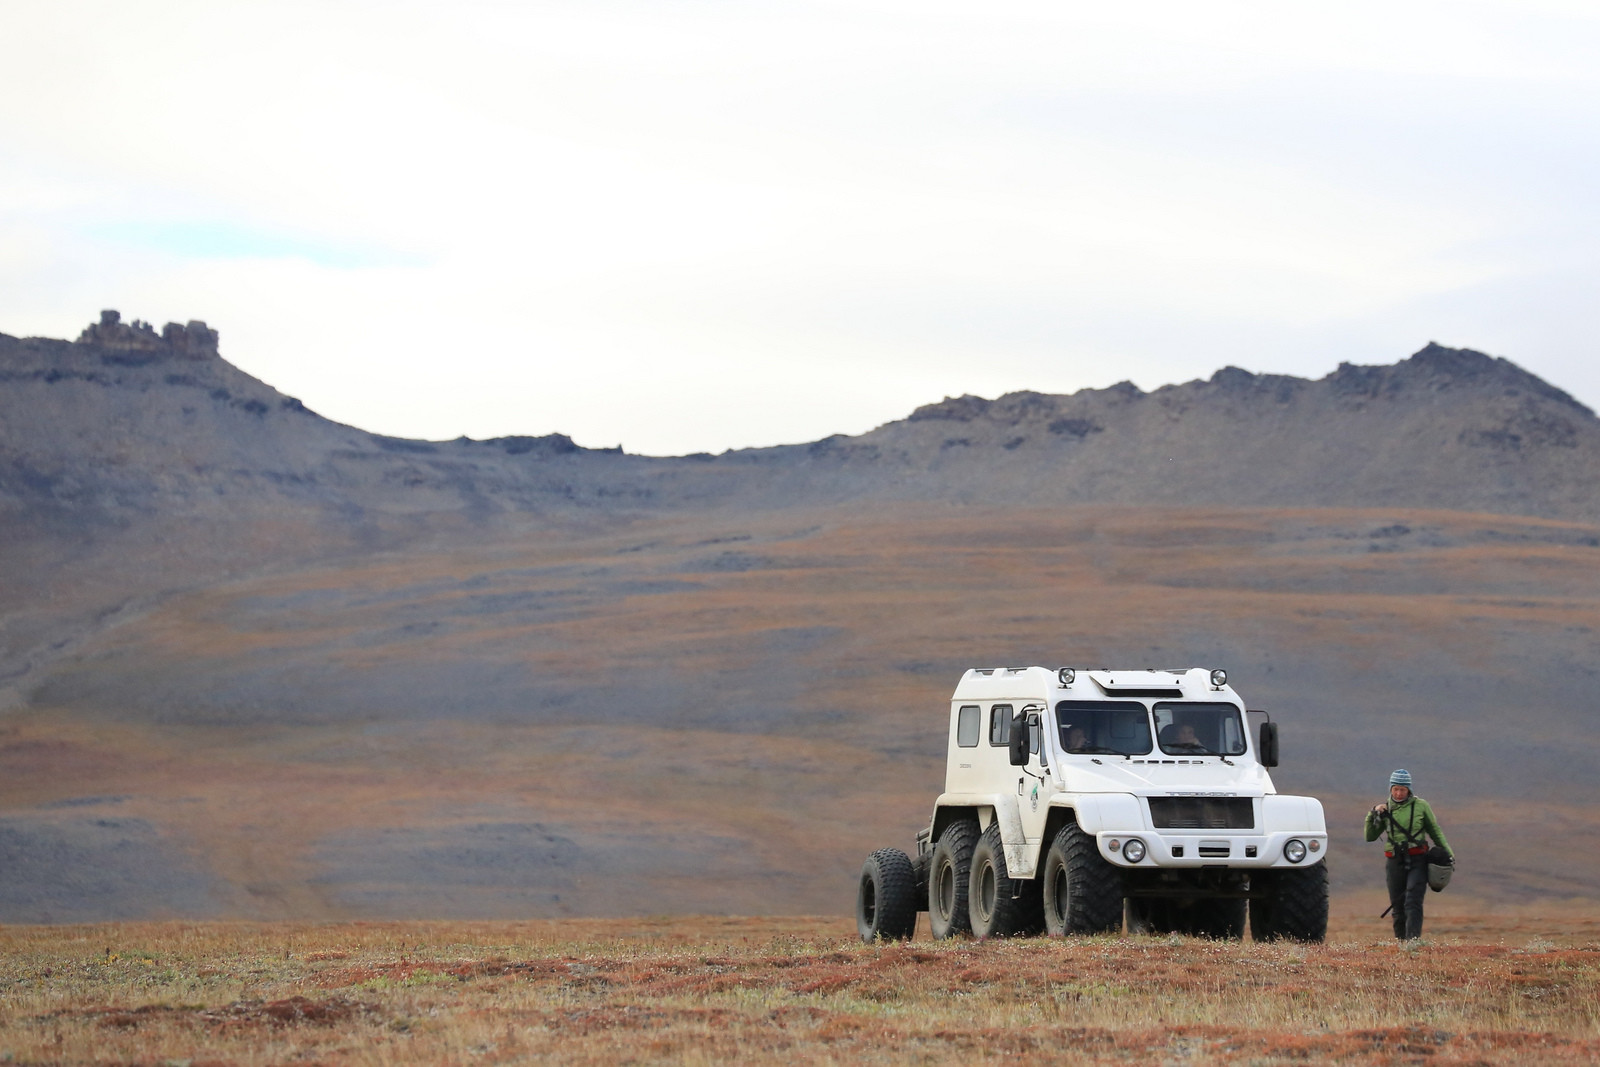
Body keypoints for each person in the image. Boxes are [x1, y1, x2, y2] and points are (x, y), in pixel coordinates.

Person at [1364, 769, 1451, 942]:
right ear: (1390, 789)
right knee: (1398, 905)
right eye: (1395, 789)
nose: (1398, 793)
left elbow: (1435, 831)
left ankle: (1413, 942)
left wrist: (1448, 853)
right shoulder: (1385, 809)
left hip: (1418, 860)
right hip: (1394, 860)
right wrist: (1373, 813)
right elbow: (1370, 836)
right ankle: (1401, 943)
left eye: (1402, 789)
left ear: (1409, 790)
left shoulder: (1421, 806)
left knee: (1412, 901)